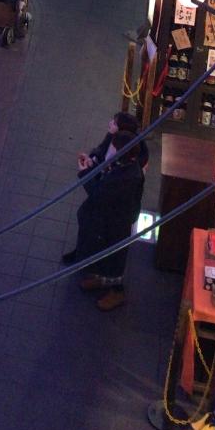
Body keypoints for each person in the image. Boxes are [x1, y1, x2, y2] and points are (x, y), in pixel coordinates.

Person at [69, 112, 146, 311]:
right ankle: (101, 277)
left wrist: (84, 173)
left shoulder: (126, 176)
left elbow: (99, 193)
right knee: (103, 249)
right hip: (108, 217)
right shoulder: (123, 165)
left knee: (114, 254)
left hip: (116, 222)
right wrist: (92, 166)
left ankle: (116, 291)